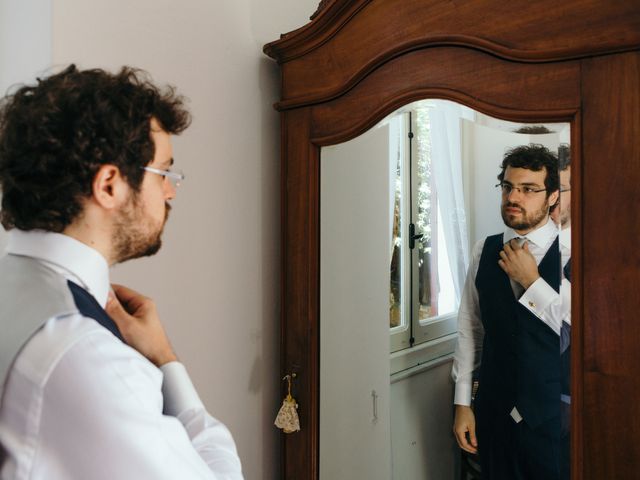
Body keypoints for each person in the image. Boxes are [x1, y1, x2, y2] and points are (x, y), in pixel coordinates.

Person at [0, 65, 243, 479]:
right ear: (110, 184)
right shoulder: (82, 353)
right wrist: (166, 360)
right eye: (164, 172)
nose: (170, 191)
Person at [452, 144, 570, 480]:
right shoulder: (483, 250)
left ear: (552, 197)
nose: (513, 197)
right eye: (507, 187)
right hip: (493, 409)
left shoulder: (571, 253)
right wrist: (463, 404)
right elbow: (470, 329)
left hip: (554, 418)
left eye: (529, 189)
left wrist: (531, 282)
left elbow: (573, 330)